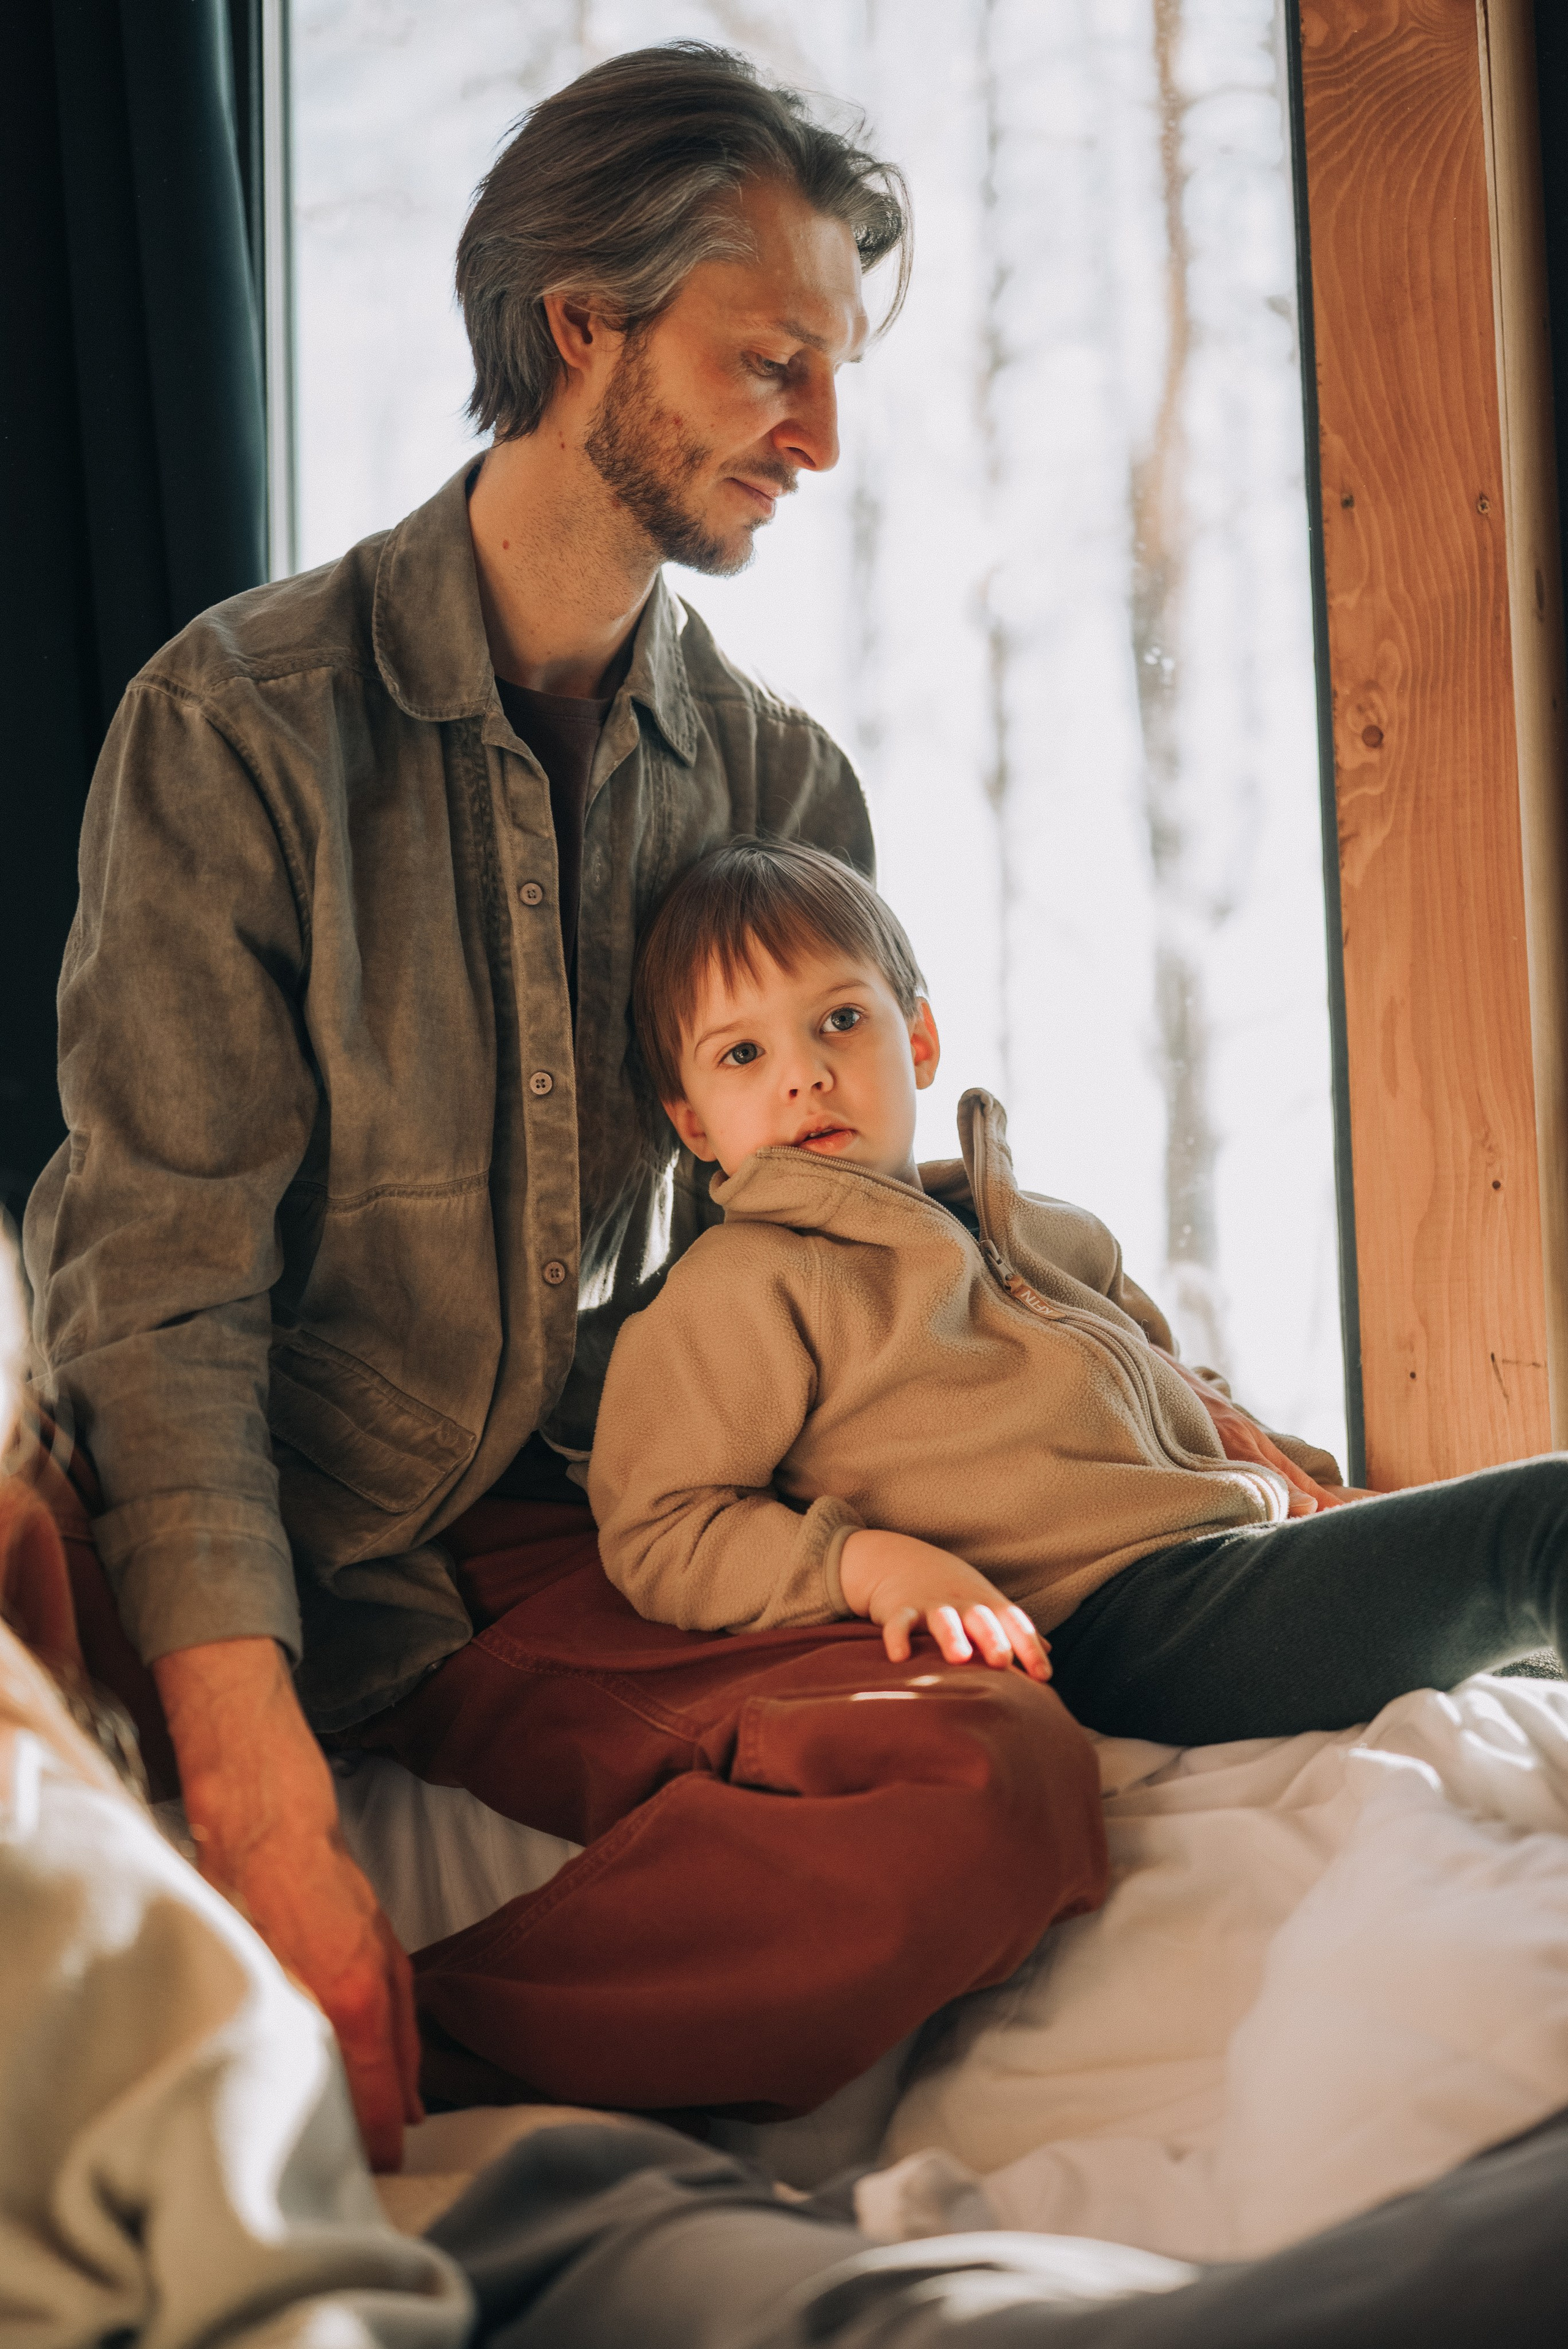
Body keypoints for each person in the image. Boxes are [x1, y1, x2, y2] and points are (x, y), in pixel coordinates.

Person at [21, 42, 1107, 2160]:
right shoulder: (237, 727)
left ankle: (381, 2054)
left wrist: (1131, 1461)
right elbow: (154, 1293)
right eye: (770, 361)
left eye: (836, 371)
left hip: (593, 1528)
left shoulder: (783, 788)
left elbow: (831, 1265)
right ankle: (270, 2013)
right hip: (302, 1542)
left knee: (998, 1775)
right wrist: (263, 1799)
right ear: (578, 326)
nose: (818, 435)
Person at [587, 838, 1568, 1749]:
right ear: (694, 1122)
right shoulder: (742, 1290)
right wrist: (874, 1565)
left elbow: (1187, 1401)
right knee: (1542, 1524)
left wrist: (1312, 1488)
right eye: (742, 1055)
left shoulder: (1050, 1231)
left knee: (1533, 1647)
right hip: (1117, 1624)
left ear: (919, 1040)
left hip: (1232, 1552)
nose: (805, 1073)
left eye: (841, 1020)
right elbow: (661, 1526)